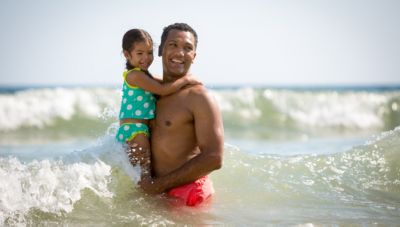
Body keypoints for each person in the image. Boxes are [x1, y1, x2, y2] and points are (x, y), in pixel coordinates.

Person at [139, 23, 224, 206]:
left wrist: (157, 186)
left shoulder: (199, 97)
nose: (180, 53)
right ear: (160, 50)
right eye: (173, 45)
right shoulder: (149, 90)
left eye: (188, 48)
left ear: (194, 56)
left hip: (188, 193)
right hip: (157, 193)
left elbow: (214, 157)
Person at [116, 28, 199, 175]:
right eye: (140, 53)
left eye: (149, 53)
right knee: (144, 174)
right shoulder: (135, 75)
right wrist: (186, 79)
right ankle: (147, 194)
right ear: (127, 55)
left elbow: (163, 82)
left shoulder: (142, 75)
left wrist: (180, 83)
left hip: (136, 128)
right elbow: (162, 89)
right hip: (135, 130)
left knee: (139, 172)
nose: (146, 58)